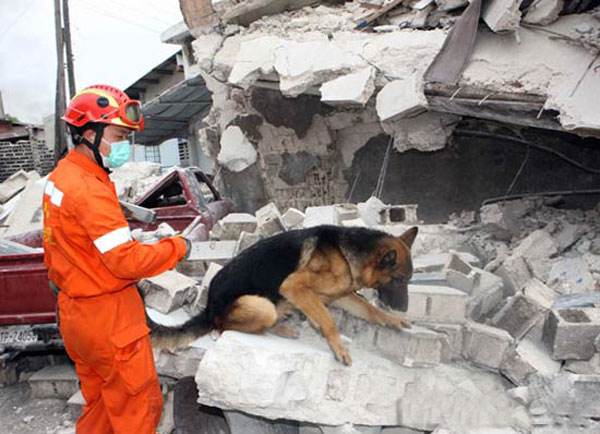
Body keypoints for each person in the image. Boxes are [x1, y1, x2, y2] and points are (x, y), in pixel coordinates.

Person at [43, 84, 190, 433]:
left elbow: (69, 244)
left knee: (101, 411)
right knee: (136, 411)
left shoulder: (62, 177)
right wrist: (178, 248)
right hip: (109, 320)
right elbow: (125, 263)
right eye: (119, 135)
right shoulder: (90, 189)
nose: (123, 145)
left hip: (76, 315)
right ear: (89, 132)